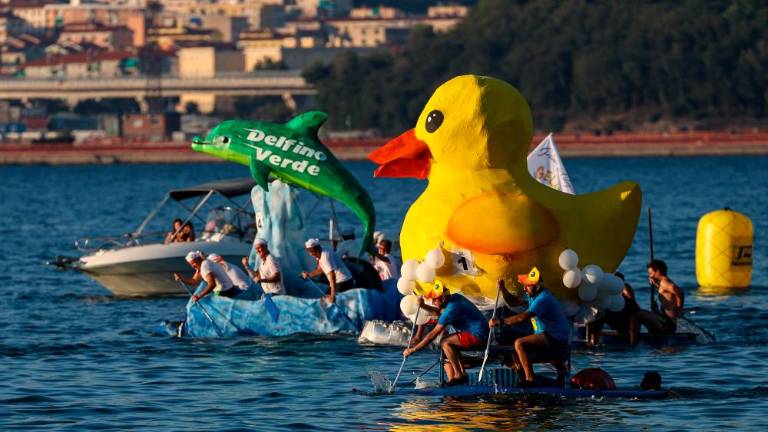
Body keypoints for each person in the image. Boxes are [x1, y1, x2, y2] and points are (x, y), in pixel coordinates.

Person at [490, 268, 571, 386]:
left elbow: (522, 318)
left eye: (527, 286)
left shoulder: (543, 299)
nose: (524, 288)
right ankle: (522, 378)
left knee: (519, 343)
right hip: (546, 334)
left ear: (537, 287)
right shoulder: (532, 295)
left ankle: (530, 379)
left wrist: (500, 321)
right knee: (513, 347)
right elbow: (513, 302)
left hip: (556, 335)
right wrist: (503, 289)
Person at [403, 281, 488, 385]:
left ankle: (459, 376)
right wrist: (423, 306)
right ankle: (462, 375)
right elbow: (439, 312)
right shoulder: (454, 298)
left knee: (445, 342)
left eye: (434, 299)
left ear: (442, 298)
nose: (433, 302)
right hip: (479, 332)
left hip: (478, 335)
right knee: (448, 341)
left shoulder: (452, 308)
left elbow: (432, 335)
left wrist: (412, 350)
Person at [629, 259, 684, 345]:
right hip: (664, 320)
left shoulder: (665, 283)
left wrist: (679, 307)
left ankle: (632, 344)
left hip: (668, 324)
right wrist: (656, 285)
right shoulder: (663, 283)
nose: (649, 276)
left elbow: (680, 292)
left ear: (658, 272)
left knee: (638, 314)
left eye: (650, 273)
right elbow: (666, 293)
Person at [587, 271, 641, 346]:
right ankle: (592, 340)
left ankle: (592, 341)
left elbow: (633, 303)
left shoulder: (624, 288)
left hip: (624, 320)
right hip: (614, 317)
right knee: (600, 313)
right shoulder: (609, 292)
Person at [301, 238, 353, 303]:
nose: (310, 255)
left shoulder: (325, 257)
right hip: (343, 280)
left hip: (343, 281)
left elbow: (332, 276)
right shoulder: (321, 250)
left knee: (336, 302)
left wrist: (332, 296)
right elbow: (321, 269)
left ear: (315, 251)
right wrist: (309, 274)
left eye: (311, 253)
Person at [174, 251, 238, 300]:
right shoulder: (203, 264)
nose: (192, 266)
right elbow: (194, 281)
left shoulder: (205, 266)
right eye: (190, 264)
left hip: (224, 291)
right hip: (230, 289)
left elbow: (212, 285)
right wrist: (182, 279)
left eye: (193, 263)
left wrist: (199, 296)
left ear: (198, 259)